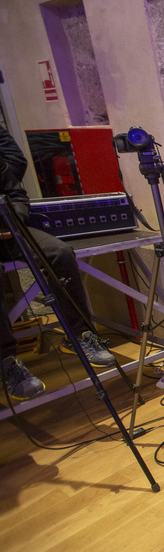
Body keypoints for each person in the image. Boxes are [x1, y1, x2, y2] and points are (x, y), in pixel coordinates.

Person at [0, 128, 113, 405]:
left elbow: (18, 196)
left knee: (59, 252)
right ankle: (6, 361)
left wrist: (13, 220)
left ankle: (79, 334)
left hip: (7, 229)